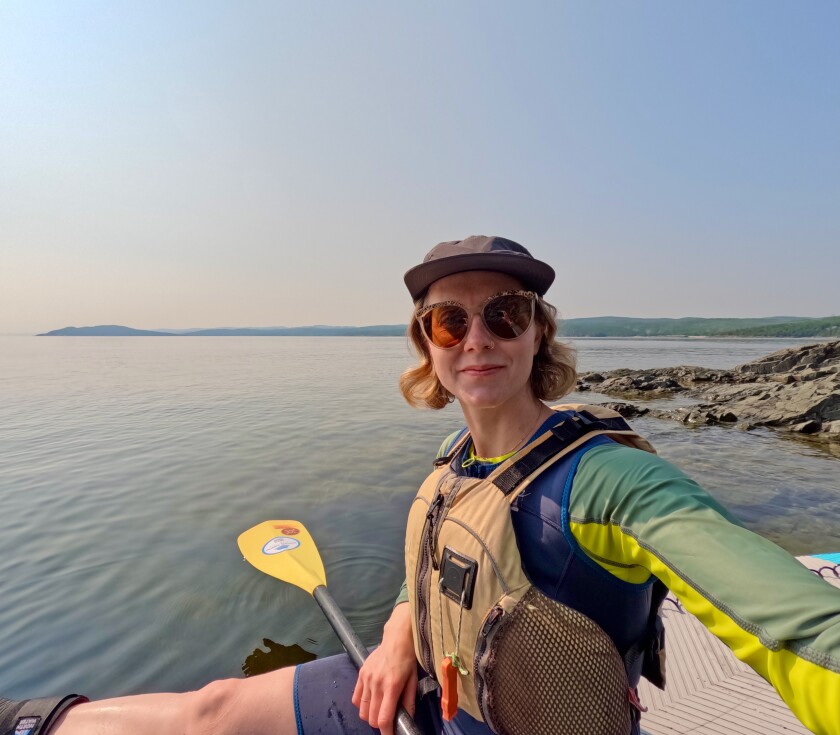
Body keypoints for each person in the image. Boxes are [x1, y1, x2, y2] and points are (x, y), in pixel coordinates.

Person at [4, 236, 840, 735]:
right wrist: (402, 626)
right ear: (427, 342)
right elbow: (440, 558)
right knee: (214, 704)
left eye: (505, 314)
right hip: (427, 699)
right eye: (450, 319)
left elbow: (789, 622)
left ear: (537, 333)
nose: (478, 337)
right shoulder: (454, 457)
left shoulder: (611, 480)